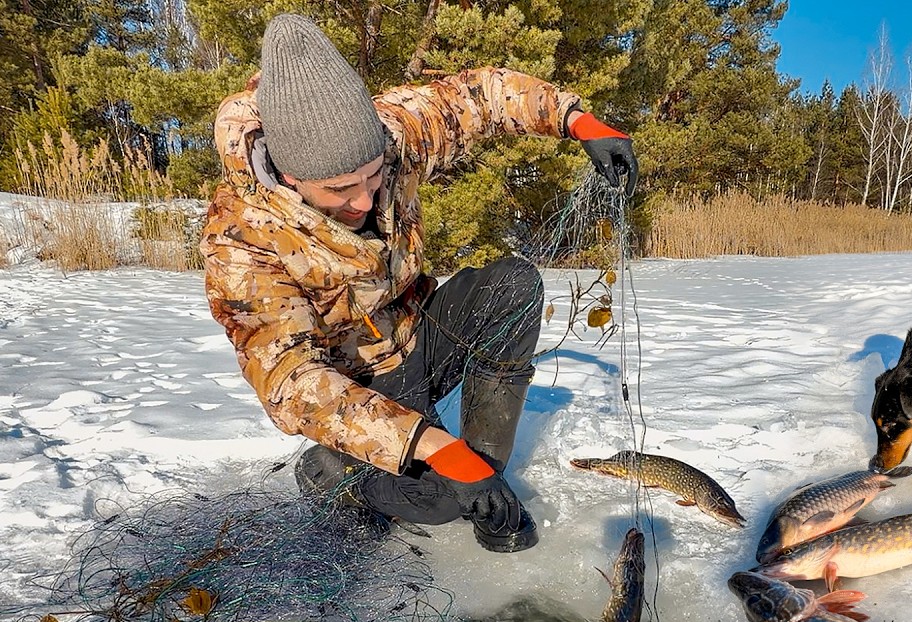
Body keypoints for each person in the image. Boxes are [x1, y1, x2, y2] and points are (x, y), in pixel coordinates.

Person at [199, 14, 637, 553]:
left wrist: (579, 122)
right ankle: (332, 474)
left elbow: (482, 97)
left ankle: (483, 483)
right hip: (357, 386)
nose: (364, 200)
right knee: (440, 500)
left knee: (513, 286)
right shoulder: (240, 238)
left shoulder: (392, 132)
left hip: (420, 333)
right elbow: (290, 382)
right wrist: (431, 447)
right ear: (290, 176)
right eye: (340, 188)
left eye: (374, 175)